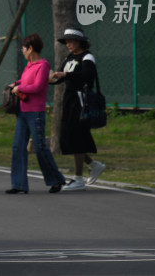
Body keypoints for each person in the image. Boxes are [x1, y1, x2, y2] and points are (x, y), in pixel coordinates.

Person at [7, 33, 66, 194]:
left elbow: (38, 86)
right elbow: (25, 81)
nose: (23, 51)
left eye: (24, 48)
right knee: (17, 147)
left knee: (40, 148)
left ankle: (56, 179)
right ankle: (18, 184)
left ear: (30, 48)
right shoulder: (29, 65)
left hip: (35, 112)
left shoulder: (43, 65)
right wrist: (16, 83)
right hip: (23, 112)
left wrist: (20, 88)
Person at [50, 27, 105, 191]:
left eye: (71, 40)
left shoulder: (87, 57)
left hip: (81, 102)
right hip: (69, 100)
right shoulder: (69, 57)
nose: (68, 44)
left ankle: (79, 178)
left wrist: (66, 76)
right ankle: (94, 165)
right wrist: (51, 79)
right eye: (66, 41)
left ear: (80, 42)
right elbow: (62, 77)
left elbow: (87, 76)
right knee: (69, 135)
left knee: (77, 136)